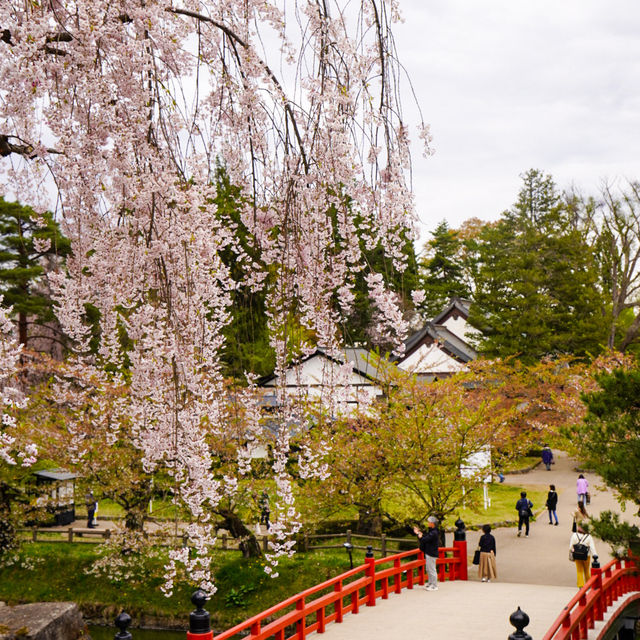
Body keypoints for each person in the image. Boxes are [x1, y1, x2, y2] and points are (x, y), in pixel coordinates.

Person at [414, 516, 440, 591]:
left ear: (432, 523)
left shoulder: (434, 532)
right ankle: (430, 583)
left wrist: (419, 536)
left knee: (432, 569)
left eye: (429, 522)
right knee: (428, 569)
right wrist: (419, 533)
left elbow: (425, 539)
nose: (428, 523)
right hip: (429, 552)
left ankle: (434, 585)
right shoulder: (432, 531)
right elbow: (425, 536)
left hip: (431, 553)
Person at [569, 524, 597, 588]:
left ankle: (580, 585)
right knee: (586, 570)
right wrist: (595, 555)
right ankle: (588, 584)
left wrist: (571, 552)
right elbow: (592, 547)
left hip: (577, 555)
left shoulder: (574, 535)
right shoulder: (589, 536)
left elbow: (571, 546)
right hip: (586, 555)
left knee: (579, 570)